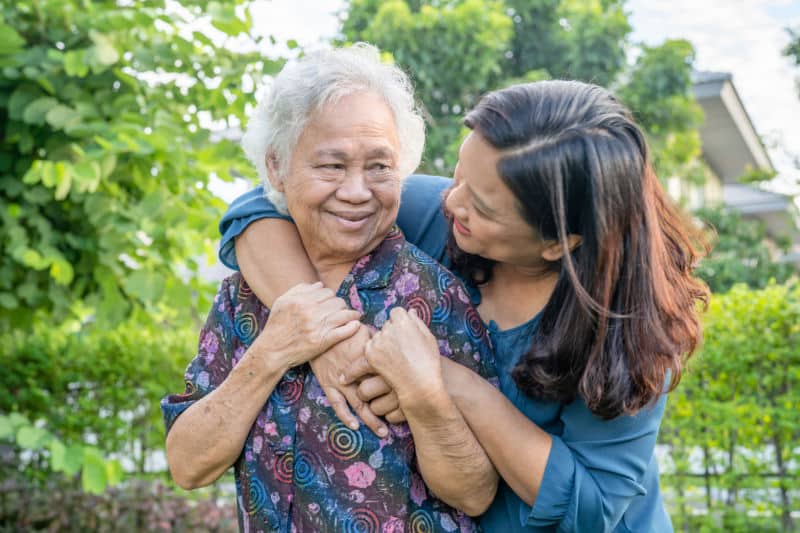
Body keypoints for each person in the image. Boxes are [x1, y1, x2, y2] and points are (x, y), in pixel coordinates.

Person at [218, 79, 710, 532]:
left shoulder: (629, 331)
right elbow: (261, 208)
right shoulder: (437, 216)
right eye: (458, 175)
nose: (451, 202)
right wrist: (327, 335)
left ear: (559, 243)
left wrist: (453, 385)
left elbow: (594, 508)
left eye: (483, 208)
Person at [161, 44, 498, 533]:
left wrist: (426, 399)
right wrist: (272, 352)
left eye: (380, 166)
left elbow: (476, 492)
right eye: (332, 166)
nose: (358, 191)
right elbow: (188, 466)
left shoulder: (436, 295)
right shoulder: (244, 296)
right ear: (276, 168)